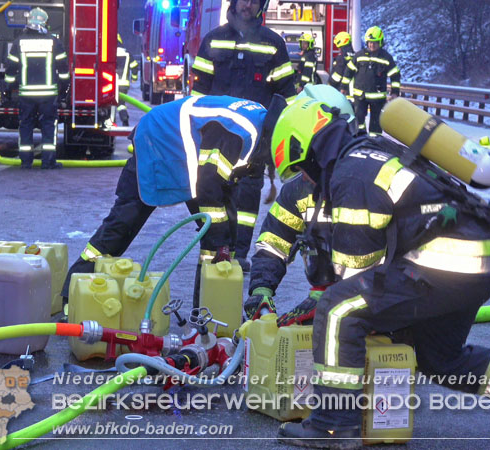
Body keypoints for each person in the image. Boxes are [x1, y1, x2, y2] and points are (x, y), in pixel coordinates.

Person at [271, 97, 490, 448]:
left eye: (302, 169)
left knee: (338, 310)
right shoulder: (374, 150)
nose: (306, 179)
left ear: (309, 149)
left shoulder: (350, 174)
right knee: (440, 358)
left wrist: (320, 305)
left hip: (441, 263)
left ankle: (333, 426)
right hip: (479, 261)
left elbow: (355, 272)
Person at [60, 94, 284, 309]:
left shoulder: (261, 124)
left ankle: (208, 311)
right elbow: (208, 187)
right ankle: (72, 292)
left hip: (183, 149)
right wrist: (220, 237)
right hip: (159, 140)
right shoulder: (238, 133)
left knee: (224, 237)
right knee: (124, 222)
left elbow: (224, 185)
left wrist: (224, 240)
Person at [190, 0, 297, 273]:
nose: (247, 5)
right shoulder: (213, 40)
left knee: (247, 199)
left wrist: (283, 134)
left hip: (255, 141)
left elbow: (288, 95)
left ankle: (239, 254)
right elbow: (198, 91)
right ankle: (216, 248)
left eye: (253, 0)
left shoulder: (274, 44)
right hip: (215, 137)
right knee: (211, 191)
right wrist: (194, 130)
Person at [244, 85, 356, 325]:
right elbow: (275, 240)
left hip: (376, 304)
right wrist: (261, 288)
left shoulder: (366, 181)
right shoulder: (298, 190)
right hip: (325, 298)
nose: (305, 176)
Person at [4, 7, 69, 169]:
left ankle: (26, 162)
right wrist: (63, 90)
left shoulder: (19, 42)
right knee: (48, 126)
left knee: (25, 125)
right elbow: (63, 69)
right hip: (48, 94)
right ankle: (48, 162)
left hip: (26, 94)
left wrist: (9, 87)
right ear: (45, 23)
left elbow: (11, 68)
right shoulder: (54, 42)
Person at [339, 26, 400, 136]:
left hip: (377, 98)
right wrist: (343, 88)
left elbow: (395, 75)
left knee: (376, 123)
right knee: (358, 120)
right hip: (360, 95)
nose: (372, 45)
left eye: (375, 42)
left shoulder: (386, 58)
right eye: (370, 42)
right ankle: (359, 138)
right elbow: (349, 72)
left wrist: (395, 92)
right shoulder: (359, 56)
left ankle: (375, 142)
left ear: (380, 42)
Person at [115, 34, 140, 126]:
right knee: (121, 103)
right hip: (123, 84)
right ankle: (124, 118)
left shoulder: (107, 52)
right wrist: (134, 78)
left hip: (109, 83)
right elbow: (134, 67)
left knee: (109, 104)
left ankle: (111, 120)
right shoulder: (127, 53)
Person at [328, 31, 354, 96]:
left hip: (342, 91)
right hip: (353, 91)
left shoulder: (341, 57)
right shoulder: (355, 55)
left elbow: (337, 77)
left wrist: (330, 83)